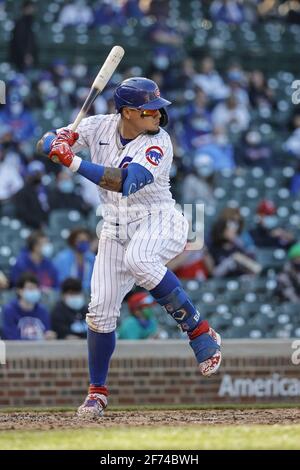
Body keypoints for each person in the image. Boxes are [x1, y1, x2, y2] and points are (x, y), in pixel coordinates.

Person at [37, 76, 222, 418]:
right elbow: (42, 142)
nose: (158, 114)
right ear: (127, 112)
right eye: (149, 110)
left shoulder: (159, 142)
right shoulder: (98, 126)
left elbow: (124, 182)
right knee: (100, 311)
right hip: (115, 227)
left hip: (159, 218)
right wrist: (57, 140)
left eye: (158, 108)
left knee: (141, 260)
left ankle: (199, 330)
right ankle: (97, 392)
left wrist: (71, 161)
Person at [2, 273, 54, 340]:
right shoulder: (9, 310)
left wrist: (49, 336)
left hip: (40, 349)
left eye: (36, 288)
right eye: (30, 288)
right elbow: (11, 337)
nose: (35, 291)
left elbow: (47, 332)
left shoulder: (43, 310)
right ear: (19, 291)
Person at [53, 228, 95, 293]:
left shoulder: (92, 259)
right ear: (73, 241)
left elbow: (94, 281)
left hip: (87, 295)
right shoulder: (62, 258)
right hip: (67, 293)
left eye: (86, 241)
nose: (84, 243)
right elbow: (62, 281)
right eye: (81, 241)